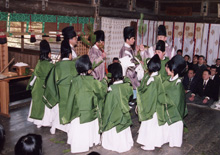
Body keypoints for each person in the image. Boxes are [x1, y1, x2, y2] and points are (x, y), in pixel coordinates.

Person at [63, 55, 107, 153]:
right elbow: (102, 91)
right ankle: (92, 141)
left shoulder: (74, 81)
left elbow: (70, 99)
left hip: (78, 114)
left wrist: (67, 115)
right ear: (89, 70)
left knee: (77, 127)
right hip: (91, 113)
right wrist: (104, 81)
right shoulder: (92, 81)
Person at [43, 39, 78, 134]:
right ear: (70, 55)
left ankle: (54, 127)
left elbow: (51, 83)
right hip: (73, 94)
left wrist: (55, 95)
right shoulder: (75, 65)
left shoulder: (57, 66)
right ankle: (69, 129)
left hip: (60, 94)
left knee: (58, 109)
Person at [136, 54, 166, 150]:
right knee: (154, 126)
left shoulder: (152, 80)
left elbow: (149, 96)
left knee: (150, 126)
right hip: (157, 107)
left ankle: (149, 144)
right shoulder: (157, 77)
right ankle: (154, 142)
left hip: (152, 108)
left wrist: (141, 104)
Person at [102, 63, 133, 153]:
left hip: (114, 119)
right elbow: (129, 84)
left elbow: (108, 107)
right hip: (124, 117)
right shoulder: (127, 86)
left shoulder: (111, 89)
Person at [27, 40, 54, 128]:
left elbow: (35, 74)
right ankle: (45, 122)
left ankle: (37, 122)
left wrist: (31, 85)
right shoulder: (50, 65)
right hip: (45, 86)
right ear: (49, 53)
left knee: (37, 103)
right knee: (45, 103)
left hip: (37, 86)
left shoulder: (39, 62)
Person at [163, 55, 187, 147]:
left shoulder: (178, 84)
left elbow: (175, 100)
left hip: (174, 111)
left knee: (175, 127)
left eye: (167, 67)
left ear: (173, 70)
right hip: (169, 108)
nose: (165, 68)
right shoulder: (170, 79)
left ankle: (175, 142)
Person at [119, 26, 139, 105]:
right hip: (130, 78)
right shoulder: (125, 51)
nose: (134, 40)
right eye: (132, 39)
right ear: (127, 40)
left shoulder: (129, 49)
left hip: (132, 78)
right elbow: (129, 67)